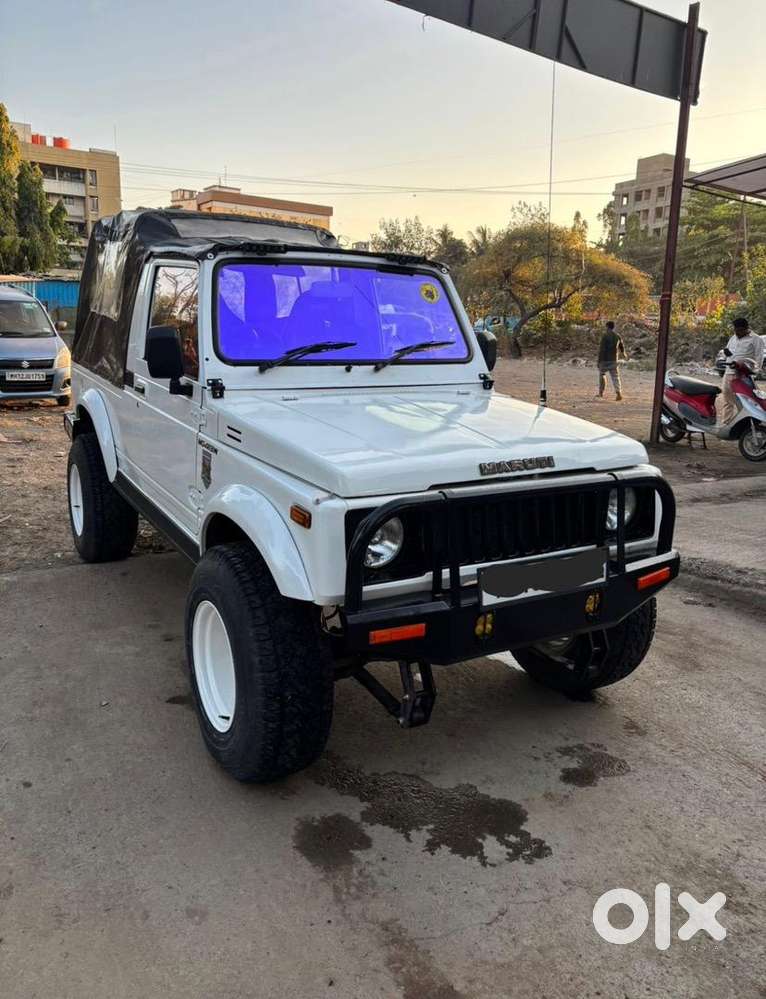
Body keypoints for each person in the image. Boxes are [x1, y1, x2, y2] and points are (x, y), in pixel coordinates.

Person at [719, 317, 765, 425]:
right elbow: (728, 353)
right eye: (735, 330)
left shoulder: (756, 339)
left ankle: (746, 425)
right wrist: (726, 354)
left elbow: (759, 359)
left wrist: (753, 371)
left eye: (740, 330)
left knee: (744, 402)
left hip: (742, 375)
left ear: (746, 328)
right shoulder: (733, 338)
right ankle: (726, 424)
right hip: (728, 372)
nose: (737, 333)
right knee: (727, 400)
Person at [597, 321, 626, 400]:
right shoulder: (617, 336)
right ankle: (618, 392)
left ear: (607, 327)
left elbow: (602, 349)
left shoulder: (605, 336)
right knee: (615, 377)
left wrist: (599, 361)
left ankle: (601, 393)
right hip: (614, 359)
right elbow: (621, 346)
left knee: (602, 375)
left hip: (605, 360)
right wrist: (624, 354)